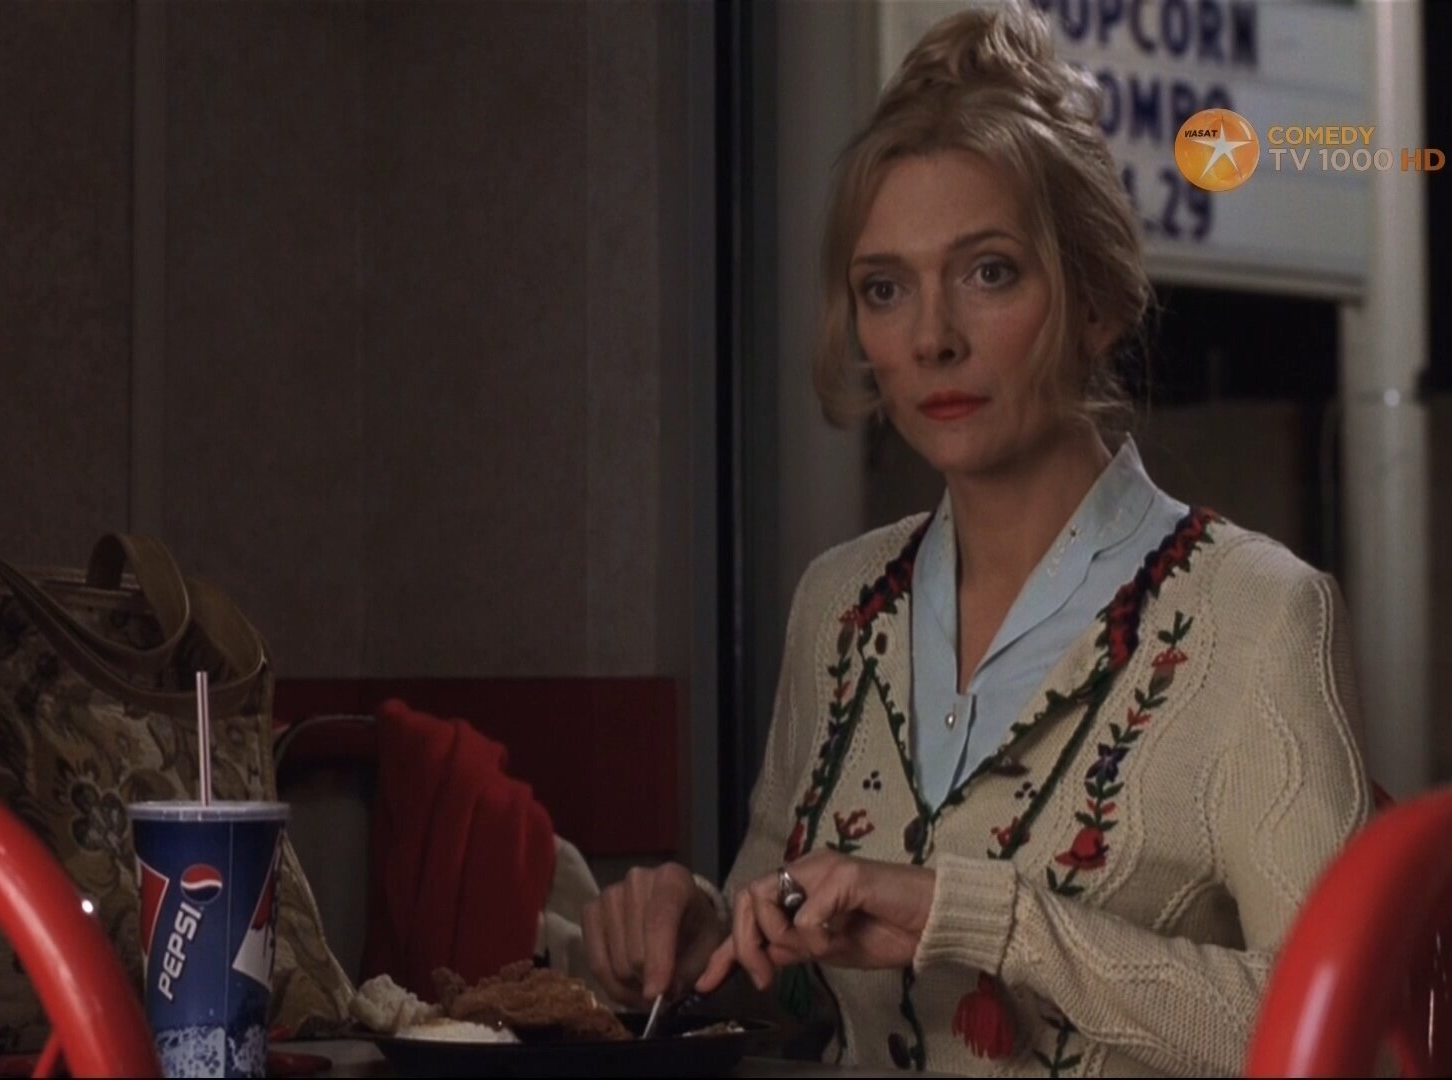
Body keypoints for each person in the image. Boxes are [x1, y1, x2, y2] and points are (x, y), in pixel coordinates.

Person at [580, 3, 1372, 1076]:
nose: (931, 337)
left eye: (988, 271)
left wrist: (989, 920)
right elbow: (792, 977)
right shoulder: (838, 605)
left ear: (1095, 301)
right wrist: (704, 944)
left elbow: (1343, 1033)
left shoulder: (1260, 614)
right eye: (885, 289)